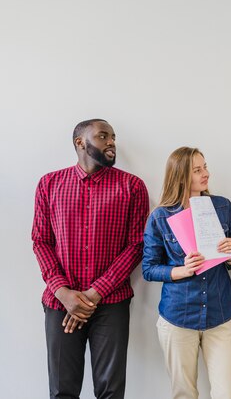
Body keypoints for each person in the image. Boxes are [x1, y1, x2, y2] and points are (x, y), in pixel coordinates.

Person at [32, 119, 149, 399]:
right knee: (63, 391)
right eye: (103, 136)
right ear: (80, 142)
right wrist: (64, 293)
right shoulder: (49, 184)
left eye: (113, 137)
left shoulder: (132, 187)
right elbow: (41, 241)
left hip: (111, 303)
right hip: (61, 303)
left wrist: (94, 294)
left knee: (110, 391)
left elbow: (136, 246)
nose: (111, 142)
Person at [142, 146, 231, 399]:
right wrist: (182, 270)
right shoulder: (160, 217)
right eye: (197, 170)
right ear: (181, 175)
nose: (205, 173)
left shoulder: (222, 207)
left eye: (205, 166)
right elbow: (149, 268)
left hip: (221, 313)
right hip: (178, 316)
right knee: (184, 393)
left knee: (227, 393)